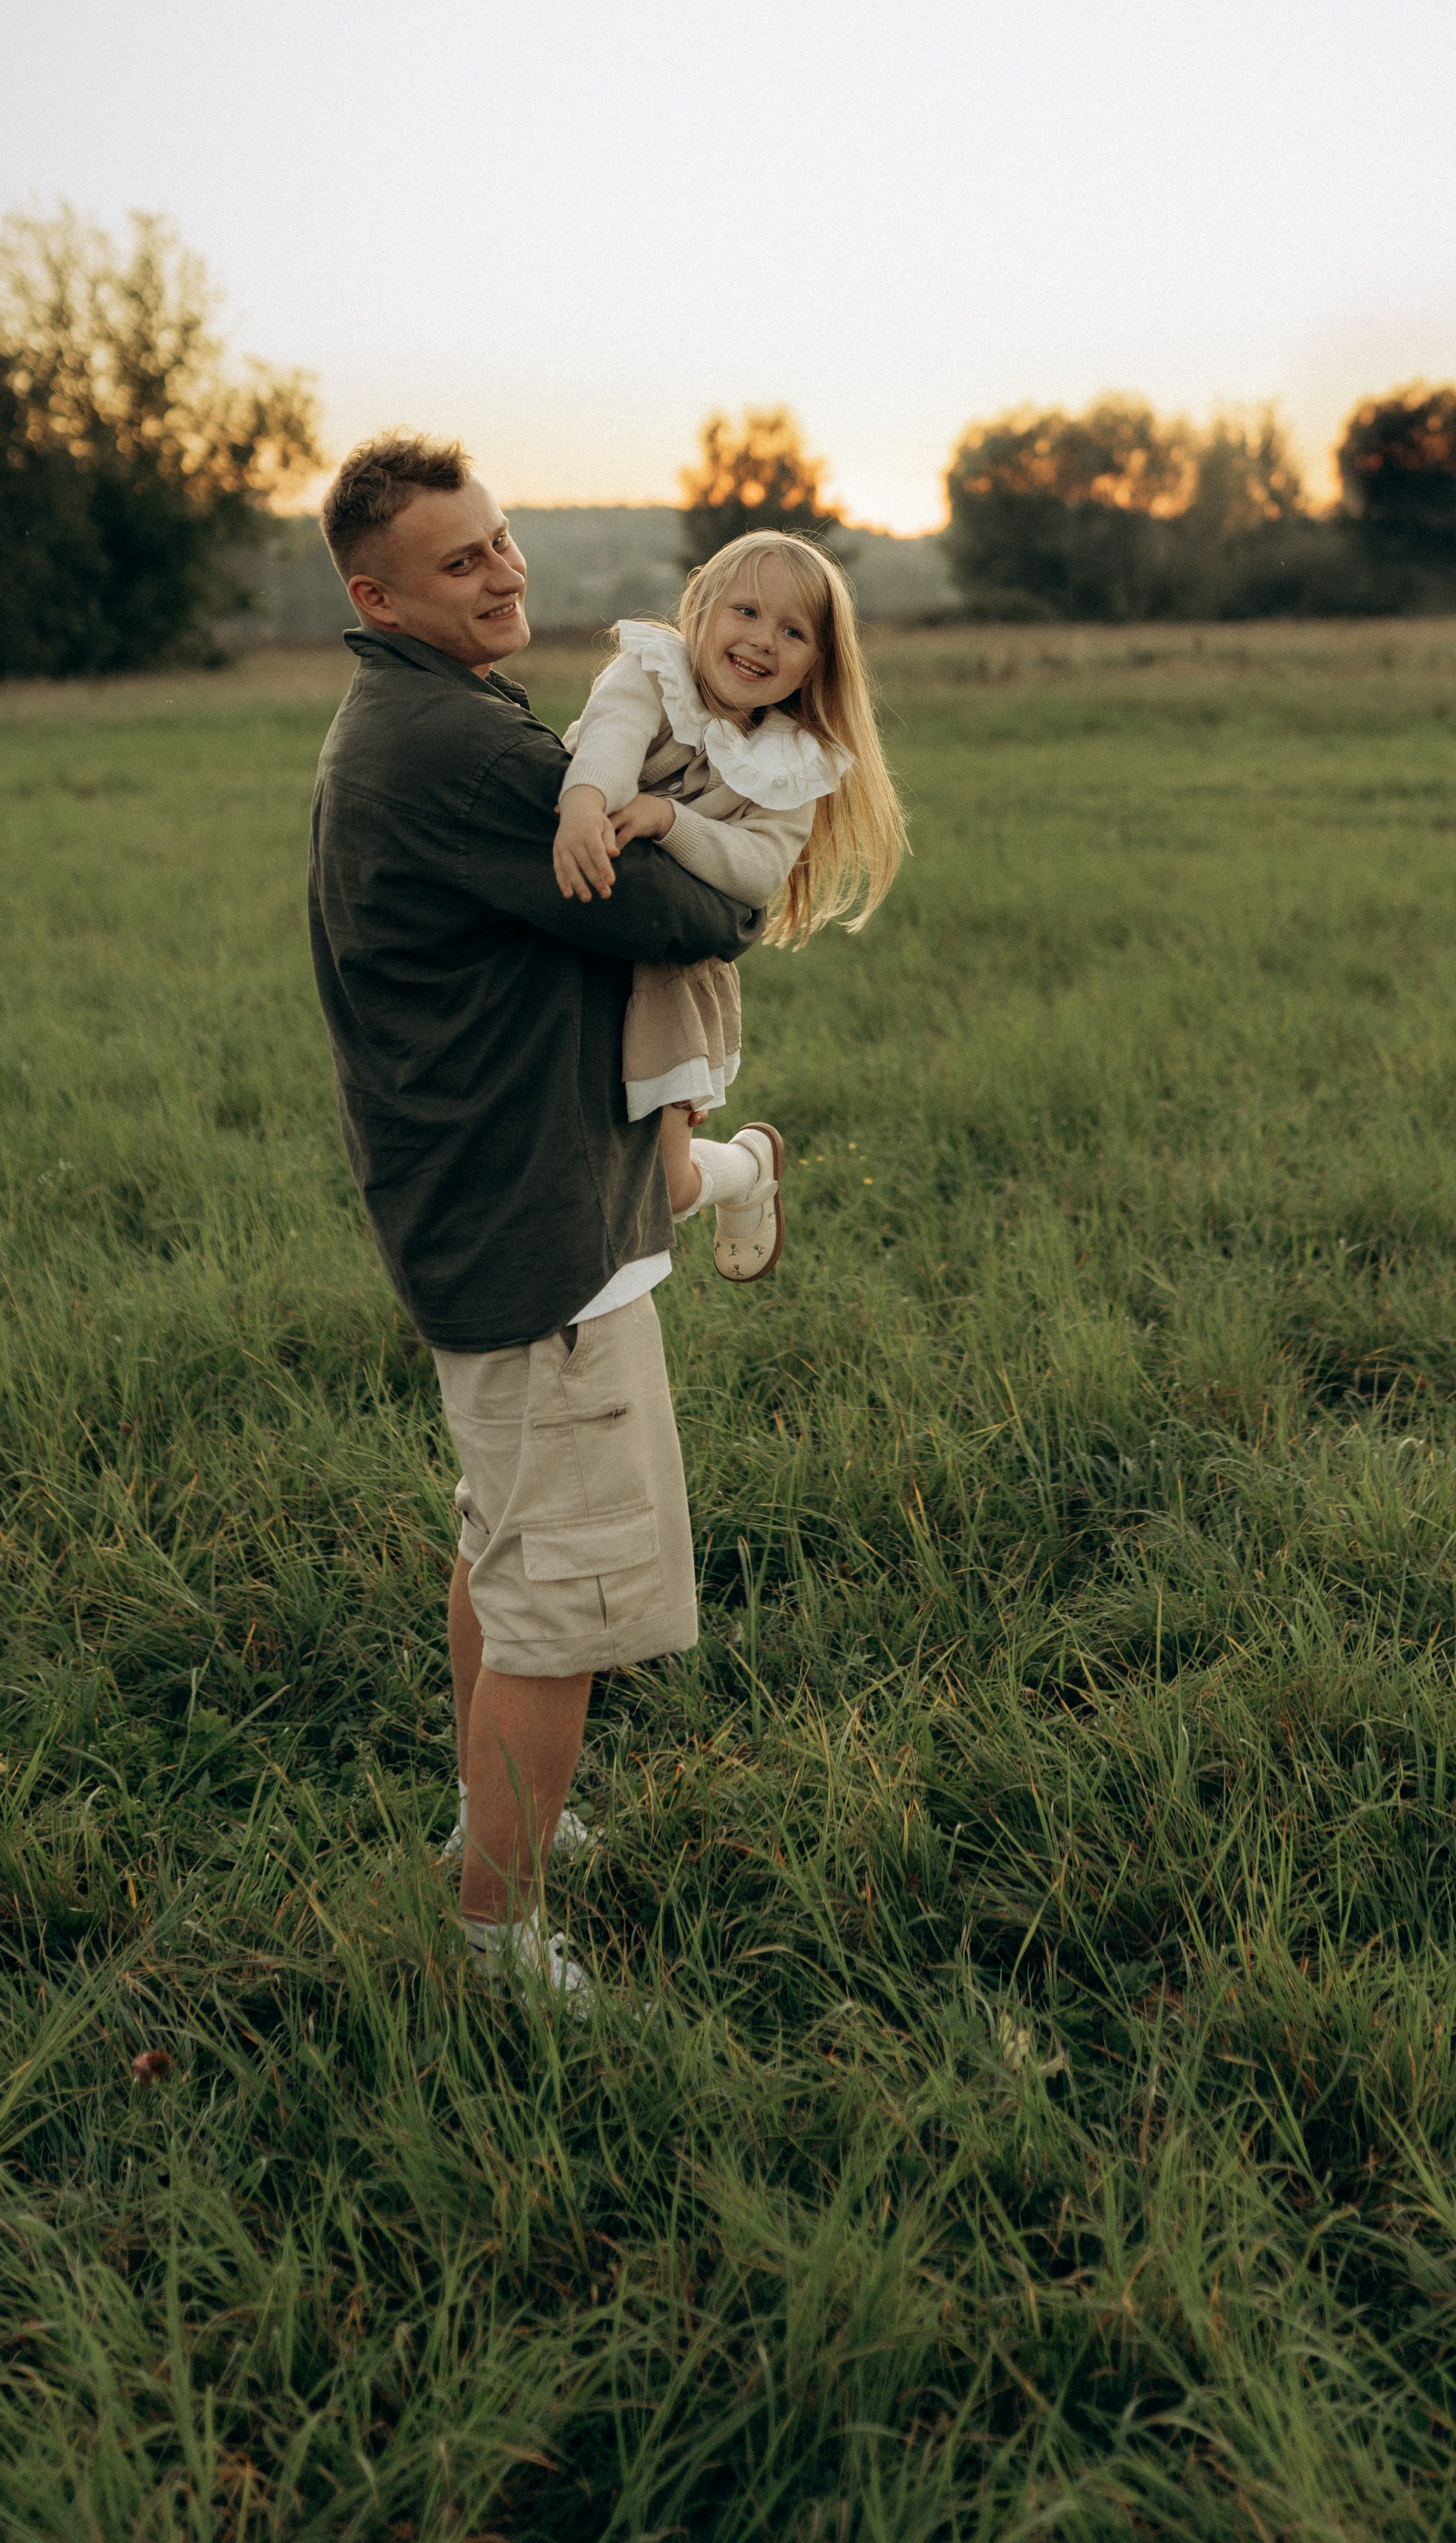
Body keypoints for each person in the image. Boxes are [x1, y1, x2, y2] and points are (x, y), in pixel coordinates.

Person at [305, 432, 760, 2008]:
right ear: (376, 594)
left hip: (487, 1204)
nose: (502, 571)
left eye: (501, 541)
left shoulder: (420, 715)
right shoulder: (453, 749)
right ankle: (497, 1934)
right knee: (560, 1601)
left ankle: (485, 1832)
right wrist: (731, 833)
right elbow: (702, 908)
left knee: (505, 1551)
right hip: (529, 1232)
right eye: (459, 560)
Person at [550, 531, 906, 1261]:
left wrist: (668, 819)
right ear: (703, 606)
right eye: (745, 611)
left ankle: (746, 1169)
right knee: (574, 1158)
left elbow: (756, 870)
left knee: (664, 1188)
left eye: (793, 631)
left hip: (672, 983)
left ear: (817, 663)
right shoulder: (650, 672)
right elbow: (611, 739)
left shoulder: (792, 767)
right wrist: (588, 804)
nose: (761, 641)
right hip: (576, 942)